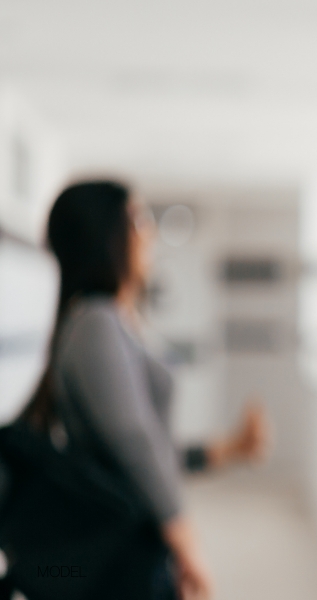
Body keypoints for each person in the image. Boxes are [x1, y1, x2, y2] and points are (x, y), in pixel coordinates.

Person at [13, 181, 269, 600]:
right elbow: (134, 442)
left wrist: (230, 448)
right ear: (106, 234)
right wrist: (185, 541)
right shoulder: (96, 323)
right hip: (123, 551)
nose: (148, 233)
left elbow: (148, 446)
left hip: (135, 544)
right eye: (138, 219)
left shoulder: (111, 322)